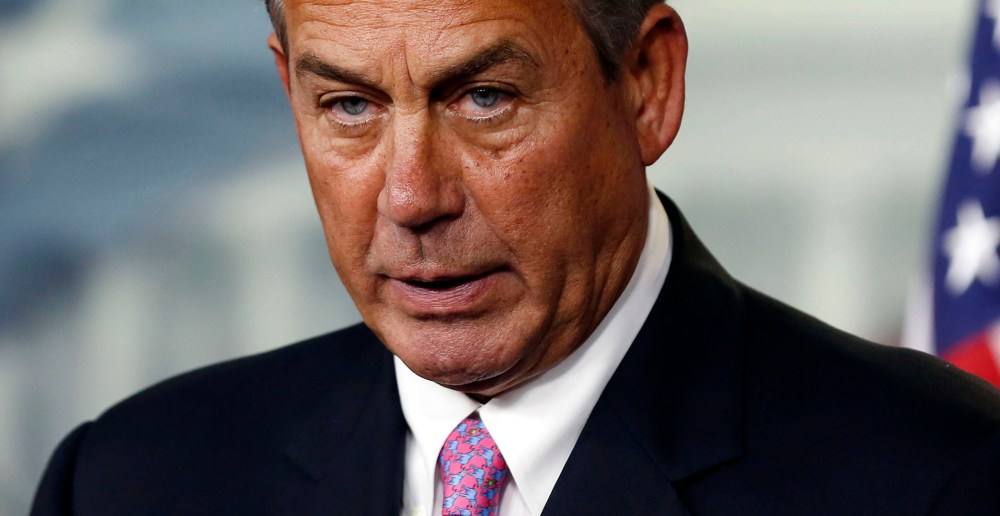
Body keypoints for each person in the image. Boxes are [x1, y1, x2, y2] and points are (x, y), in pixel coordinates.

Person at [31, 0, 1000, 514]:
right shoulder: (127, 483)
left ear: (648, 84)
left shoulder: (939, 481)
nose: (410, 197)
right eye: (349, 107)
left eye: (483, 97)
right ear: (289, 87)